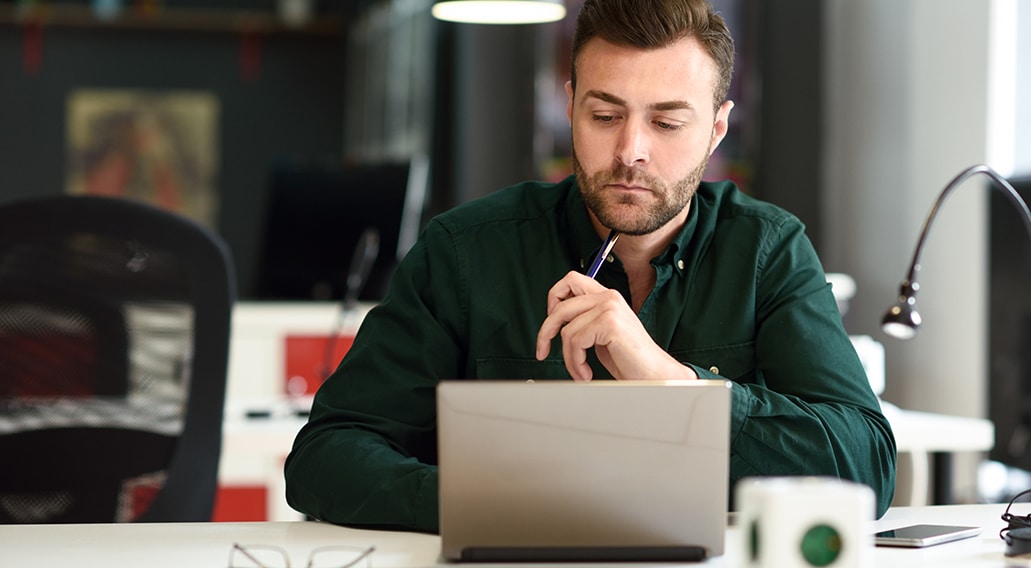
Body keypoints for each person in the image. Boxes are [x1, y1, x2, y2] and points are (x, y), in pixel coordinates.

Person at [284, 0, 896, 532]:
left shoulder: (767, 249)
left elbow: (866, 463)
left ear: (715, 130)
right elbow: (326, 455)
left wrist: (673, 386)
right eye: (605, 116)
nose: (630, 150)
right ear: (571, 106)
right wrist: (484, 504)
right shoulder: (466, 250)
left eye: (666, 121)